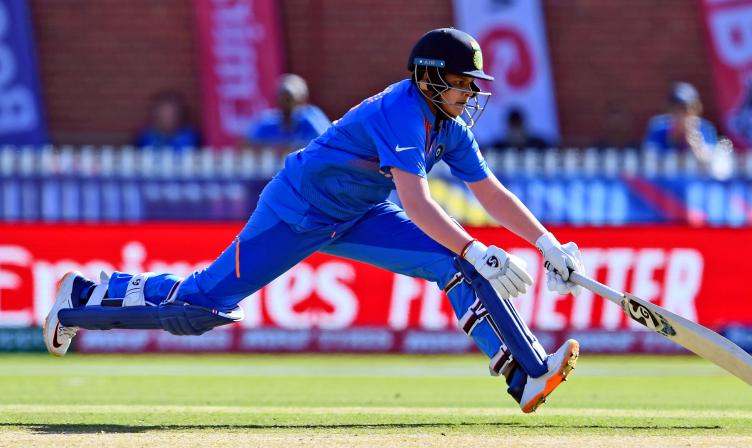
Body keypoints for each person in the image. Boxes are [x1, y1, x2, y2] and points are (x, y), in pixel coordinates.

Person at [44, 28, 586, 414]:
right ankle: (84, 297)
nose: (470, 94)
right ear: (427, 80)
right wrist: (477, 248)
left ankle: (527, 373)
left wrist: (545, 243)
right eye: (461, 83)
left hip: (358, 214)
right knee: (197, 308)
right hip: (297, 211)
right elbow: (418, 203)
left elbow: (489, 190)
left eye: (472, 84)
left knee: (456, 265)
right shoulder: (401, 111)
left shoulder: (449, 126)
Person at [246, 73, 331, 155]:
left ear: (302, 99)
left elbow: (327, 140)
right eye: (283, 99)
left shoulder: (311, 118)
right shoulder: (268, 121)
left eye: (290, 99)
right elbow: (247, 145)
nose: (287, 105)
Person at [642, 82, 718, 164]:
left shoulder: (705, 128)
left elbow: (710, 161)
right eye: (677, 109)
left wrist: (694, 144)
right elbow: (649, 158)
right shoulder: (658, 127)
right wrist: (673, 138)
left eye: (688, 109)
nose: (682, 115)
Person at [134, 91, 201, 150]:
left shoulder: (189, 137)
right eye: (164, 112)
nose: (168, 116)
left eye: (172, 112)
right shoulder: (146, 137)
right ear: (156, 114)